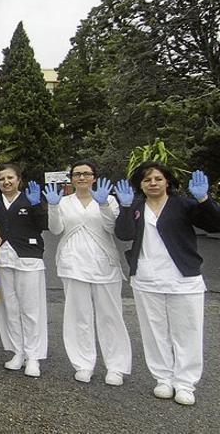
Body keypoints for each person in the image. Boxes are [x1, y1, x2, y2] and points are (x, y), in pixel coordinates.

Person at [114, 163, 220, 405]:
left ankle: (185, 383)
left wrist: (204, 199)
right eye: (147, 179)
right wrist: (126, 206)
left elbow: (215, 224)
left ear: (167, 182)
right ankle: (163, 378)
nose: (153, 183)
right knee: (154, 332)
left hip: (182, 279)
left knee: (187, 332)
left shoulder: (184, 204)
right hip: (146, 279)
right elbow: (124, 234)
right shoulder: (137, 207)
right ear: (140, 185)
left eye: (158, 178)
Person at [44, 161, 131, 386]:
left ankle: (116, 366)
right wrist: (52, 207)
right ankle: (83, 363)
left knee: (110, 315)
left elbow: (112, 228)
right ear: (71, 178)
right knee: (78, 315)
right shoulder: (63, 202)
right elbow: (55, 230)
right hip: (73, 263)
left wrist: (103, 205)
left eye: (86, 174)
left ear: (94, 177)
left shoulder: (108, 199)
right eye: (77, 174)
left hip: (104, 264)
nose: (82, 177)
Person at [0, 163, 48, 377]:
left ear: (19, 179)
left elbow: (42, 225)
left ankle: (33, 356)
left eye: (10, 178)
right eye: (1, 179)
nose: (6, 182)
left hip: (28, 258)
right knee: (10, 308)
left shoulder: (31, 199)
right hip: (2, 259)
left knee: (30, 309)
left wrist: (38, 206)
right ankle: (17, 352)